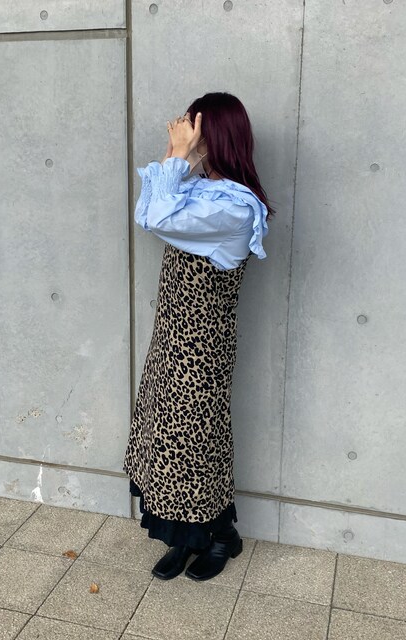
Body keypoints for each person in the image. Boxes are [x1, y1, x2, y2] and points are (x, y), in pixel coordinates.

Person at [122, 91, 275, 581]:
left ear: (216, 137)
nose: (184, 136)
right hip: (172, 337)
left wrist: (178, 156)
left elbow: (157, 217)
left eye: (194, 129)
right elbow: (148, 211)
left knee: (193, 442)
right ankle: (187, 538)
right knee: (167, 436)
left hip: (201, 348)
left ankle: (220, 536)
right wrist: (178, 158)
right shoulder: (200, 190)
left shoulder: (235, 208)